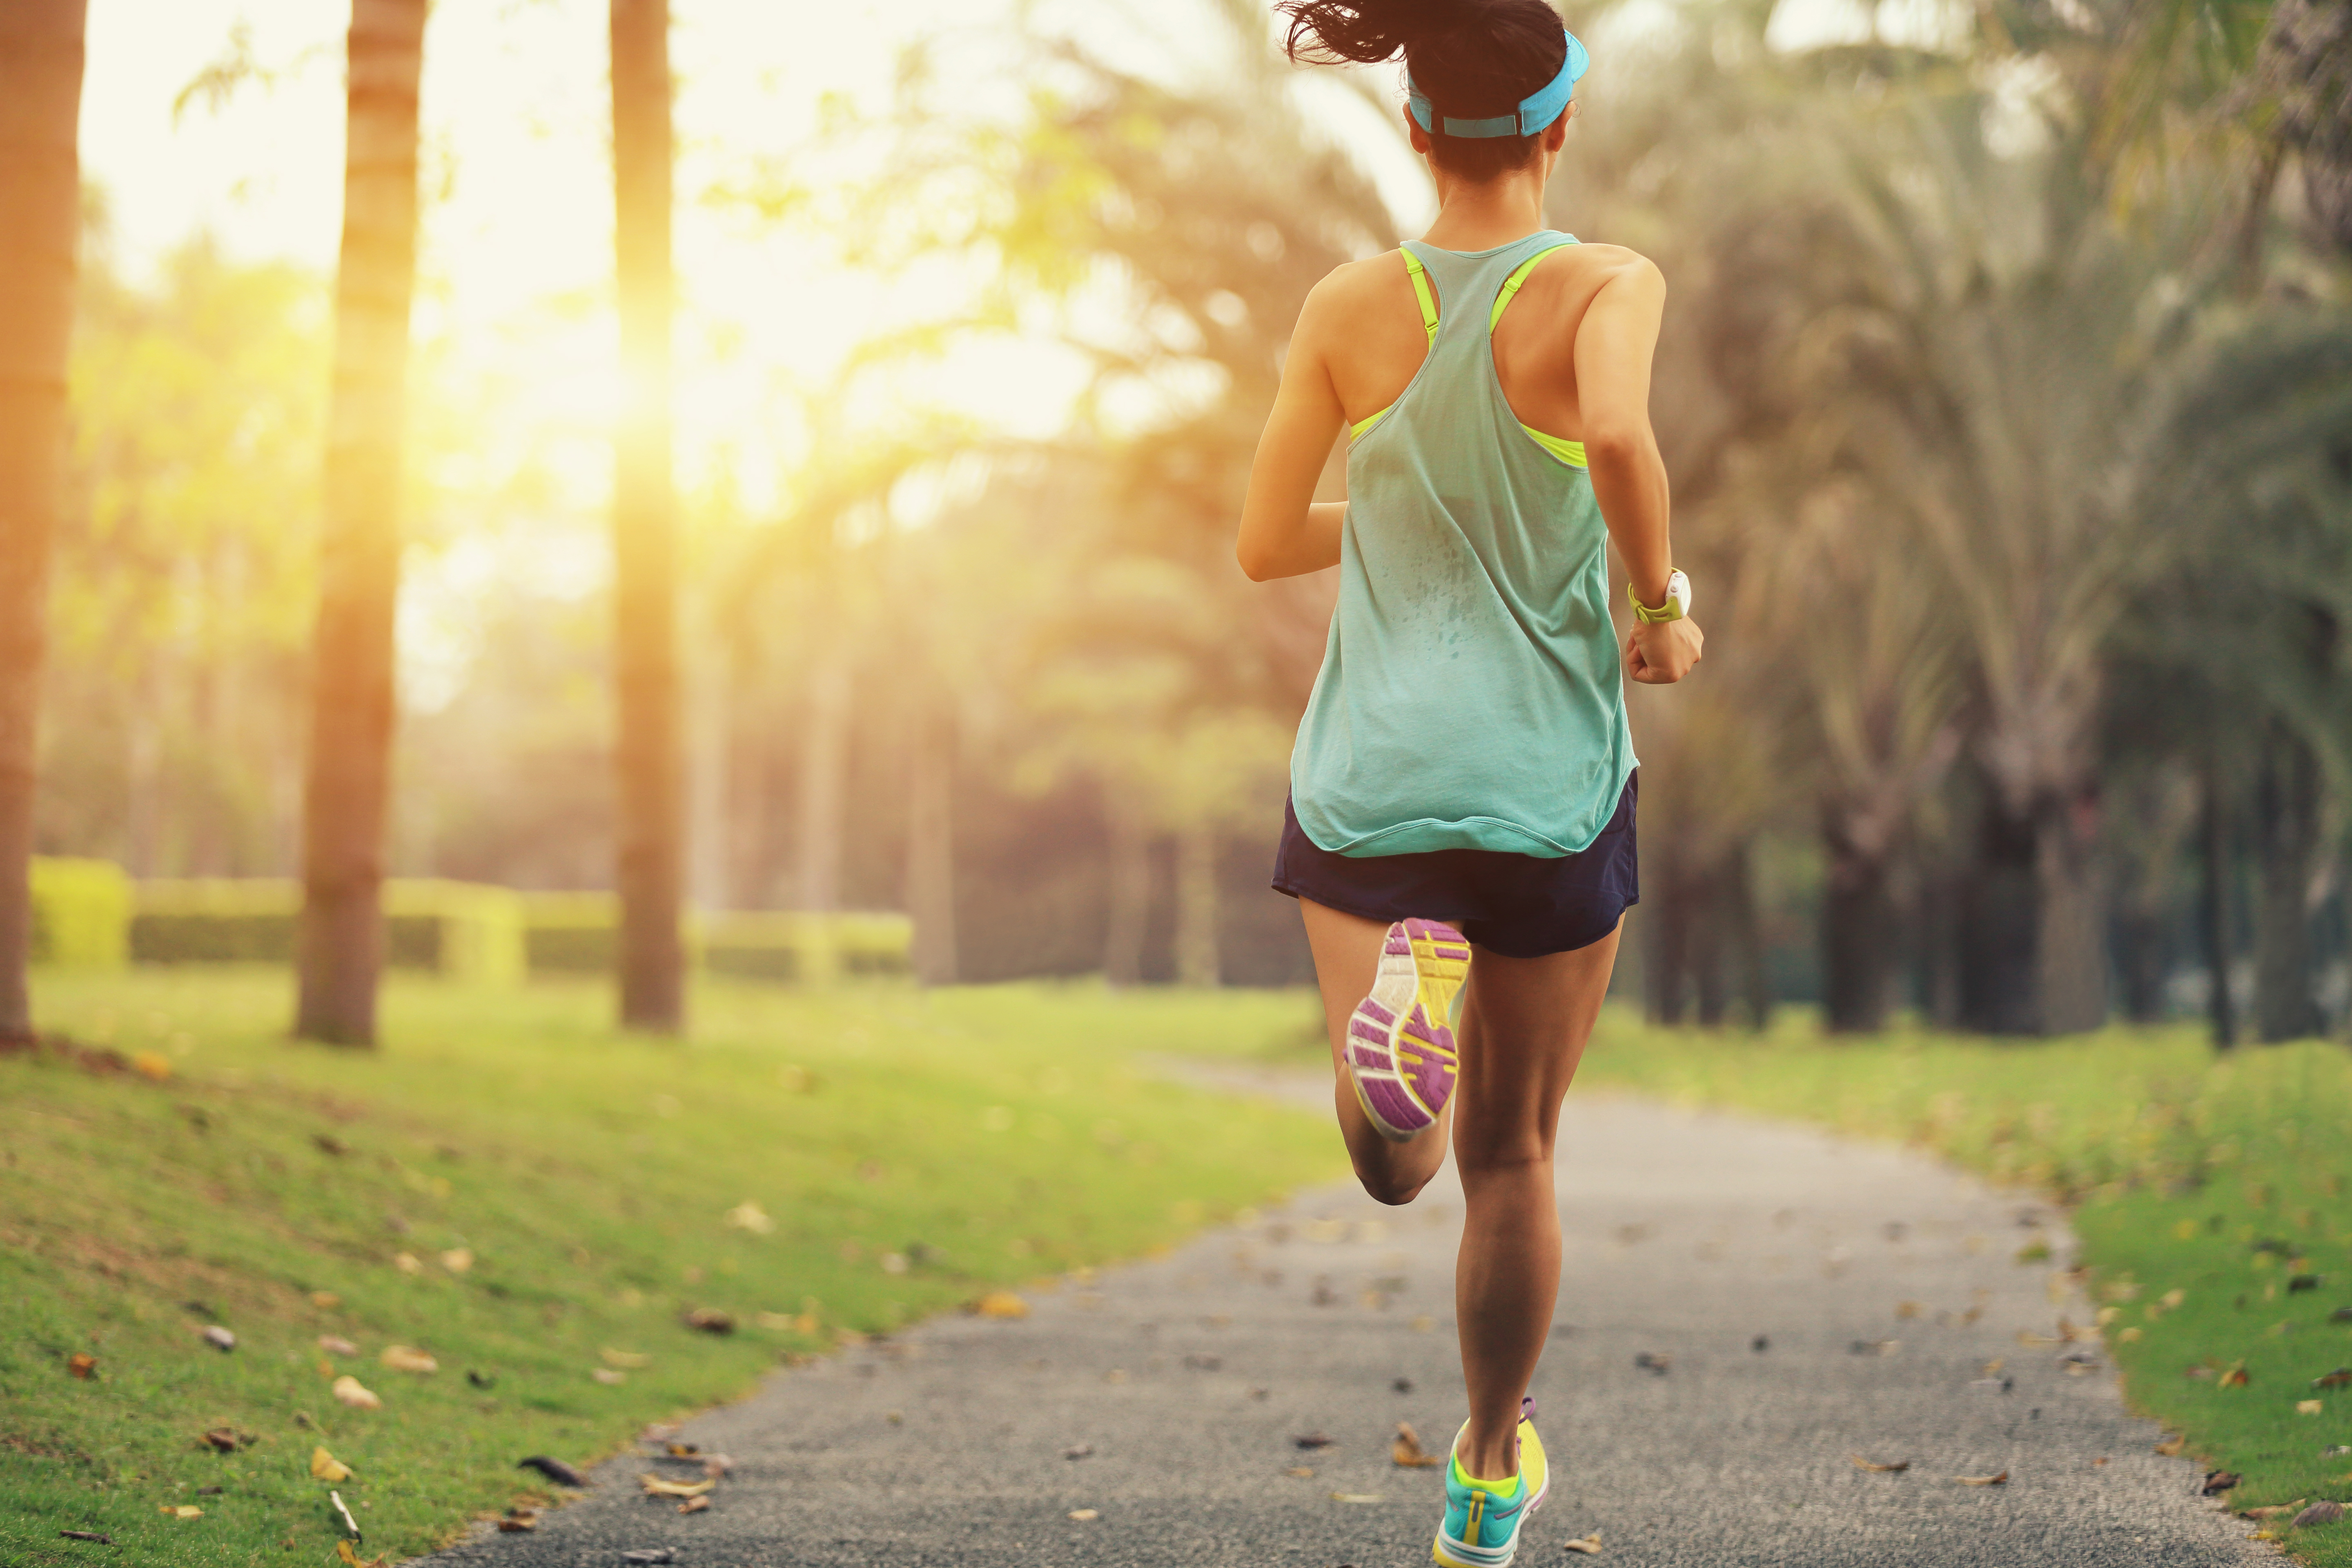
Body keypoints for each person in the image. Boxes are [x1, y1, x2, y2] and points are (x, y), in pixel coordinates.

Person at [1236, 1, 1702, 1561]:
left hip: (1373, 774)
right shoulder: (1604, 284)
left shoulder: (1346, 306)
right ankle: (1490, 1472)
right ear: (1558, 127)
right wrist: (1657, 608)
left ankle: (1399, 1036)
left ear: (1418, 129)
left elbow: (1258, 542)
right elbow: (1623, 437)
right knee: (1514, 1158)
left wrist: (1396, 497)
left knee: (1399, 1168)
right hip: (1544, 785)